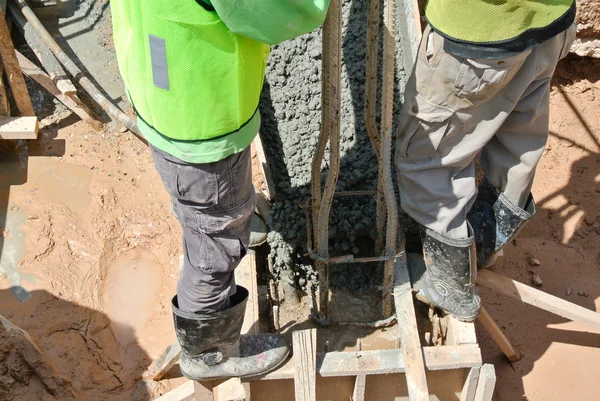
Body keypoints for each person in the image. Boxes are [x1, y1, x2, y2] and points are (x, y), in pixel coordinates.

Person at [110, 0, 330, 380]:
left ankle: (213, 214)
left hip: (162, 87)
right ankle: (209, 350)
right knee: (214, 244)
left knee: (200, 199)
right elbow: (292, 12)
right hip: (202, 119)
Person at [396, 1, 577, 322]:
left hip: (479, 37)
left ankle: (450, 284)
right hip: (552, 22)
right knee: (518, 131)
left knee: (425, 157)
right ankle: (486, 240)